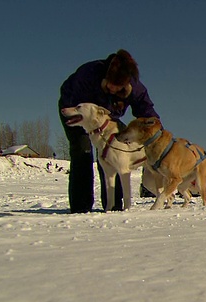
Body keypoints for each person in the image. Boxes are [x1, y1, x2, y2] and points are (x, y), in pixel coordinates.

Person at [58, 49, 160, 213]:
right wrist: (93, 127)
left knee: (114, 153)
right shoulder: (89, 74)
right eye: (110, 85)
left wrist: (155, 131)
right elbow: (77, 106)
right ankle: (81, 207)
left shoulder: (134, 87)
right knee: (82, 150)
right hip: (76, 113)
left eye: (117, 87)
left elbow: (146, 111)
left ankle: (113, 206)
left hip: (105, 117)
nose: (112, 90)